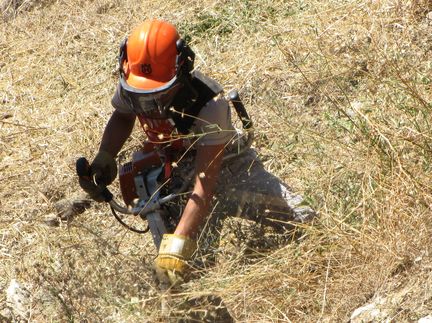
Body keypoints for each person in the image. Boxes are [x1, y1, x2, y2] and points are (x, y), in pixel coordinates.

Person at [77, 19, 316, 286]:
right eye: (141, 95)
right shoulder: (134, 85)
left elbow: (204, 187)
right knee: (189, 276)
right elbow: (122, 116)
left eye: (158, 93)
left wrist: (176, 247)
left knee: (306, 221)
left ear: (181, 70)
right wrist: (105, 155)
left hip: (229, 168)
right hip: (178, 174)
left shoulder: (210, 106)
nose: (149, 103)